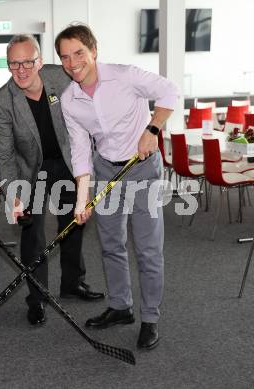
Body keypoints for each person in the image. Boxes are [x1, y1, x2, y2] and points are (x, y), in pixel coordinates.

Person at [55, 24, 179, 349]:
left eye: (78, 53)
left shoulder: (125, 76)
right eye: (65, 57)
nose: (72, 62)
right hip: (106, 173)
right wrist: (82, 200)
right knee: (112, 245)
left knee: (148, 250)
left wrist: (152, 129)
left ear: (93, 49)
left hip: (141, 171)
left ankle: (150, 318)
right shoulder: (70, 100)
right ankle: (121, 306)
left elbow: (170, 91)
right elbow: (80, 150)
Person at [0, 34, 104, 326]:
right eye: (14, 63)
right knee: (33, 233)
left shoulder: (62, 77)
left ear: (39, 61)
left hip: (68, 162)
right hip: (30, 169)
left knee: (74, 222)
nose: (22, 69)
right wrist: (13, 195)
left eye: (28, 61)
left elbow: (90, 108)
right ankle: (37, 298)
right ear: (8, 65)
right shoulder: (2, 101)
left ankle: (72, 283)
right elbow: (3, 154)